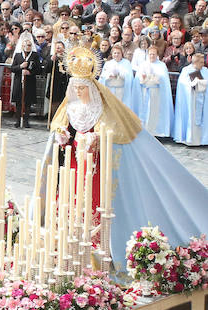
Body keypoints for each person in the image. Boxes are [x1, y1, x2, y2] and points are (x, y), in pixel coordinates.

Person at [43, 45, 208, 272]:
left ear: (91, 88)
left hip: (97, 168)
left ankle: (98, 248)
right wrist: (63, 137)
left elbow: (111, 132)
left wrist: (97, 139)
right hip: (74, 164)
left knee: (94, 204)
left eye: (82, 88)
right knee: (72, 202)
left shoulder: (103, 108)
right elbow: (65, 131)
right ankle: (67, 241)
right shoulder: (70, 107)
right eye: (76, 88)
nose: (78, 92)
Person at [172, 53, 208, 146]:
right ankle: (190, 138)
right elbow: (183, 83)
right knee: (191, 118)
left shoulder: (205, 70)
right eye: (201, 62)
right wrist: (193, 83)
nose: (203, 64)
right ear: (194, 62)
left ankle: (202, 139)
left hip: (202, 99)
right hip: (190, 100)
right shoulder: (186, 70)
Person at [10, 32, 43, 128]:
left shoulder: (34, 55)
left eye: (29, 45)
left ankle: (26, 120)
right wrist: (20, 67)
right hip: (19, 81)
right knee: (18, 102)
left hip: (29, 81)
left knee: (28, 102)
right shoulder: (18, 55)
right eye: (25, 45)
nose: (27, 47)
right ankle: (17, 120)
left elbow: (39, 69)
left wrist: (30, 72)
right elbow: (12, 68)